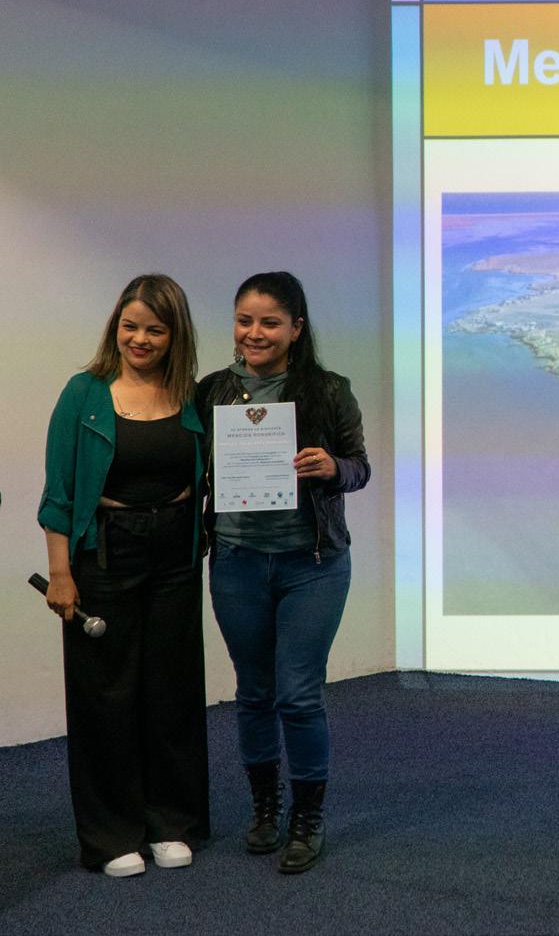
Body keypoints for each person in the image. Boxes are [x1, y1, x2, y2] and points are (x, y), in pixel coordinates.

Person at [38, 274, 210, 877]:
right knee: (105, 694)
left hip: (176, 554)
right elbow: (58, 493)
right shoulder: (83, 393)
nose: (140, 339)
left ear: (174, 335)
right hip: (105, 554)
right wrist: (60, 573)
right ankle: (112, 835)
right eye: (130, 326)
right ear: (116, 326)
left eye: (155, 330)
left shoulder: (189, 394)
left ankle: (171, 823)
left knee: (172, 689)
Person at [198, 271, 369, 874]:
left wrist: (332, 467)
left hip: (312, 565)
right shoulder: (211, 392)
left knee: (297, 694)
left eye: (270, 322)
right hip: (237, 563)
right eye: (244, 320)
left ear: (296, 329)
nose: (255, 333)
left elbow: (360, 467)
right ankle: (265, 807)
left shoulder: (329, 390)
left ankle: (307, 816)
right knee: (254, 692)